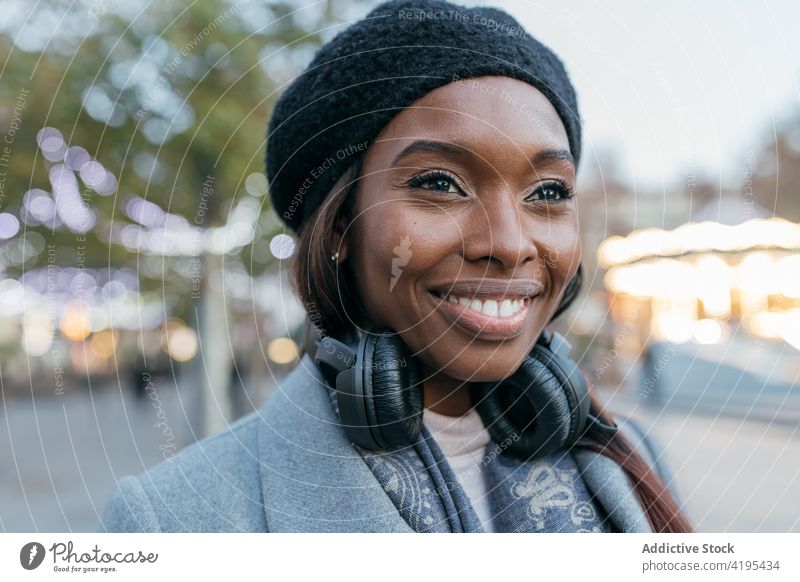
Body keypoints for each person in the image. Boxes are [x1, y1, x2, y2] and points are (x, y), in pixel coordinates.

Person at [98, 0, 692, 533]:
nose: (511, 244)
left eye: (548, 193)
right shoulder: (170, 519)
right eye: (441, 183)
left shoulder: (625, 458)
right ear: (338, 228)